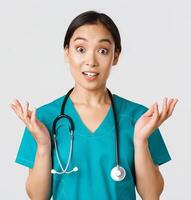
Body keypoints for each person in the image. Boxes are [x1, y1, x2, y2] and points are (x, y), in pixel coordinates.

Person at [10, 10, 178, 200]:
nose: (91, 62)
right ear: (67, 53)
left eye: (103, 51)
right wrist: (42, 145)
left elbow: (152, 194)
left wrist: (141, 142)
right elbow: (37, 197)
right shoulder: (43, 119)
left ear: (115, 57)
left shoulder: (140, 118)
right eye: (81, 49)